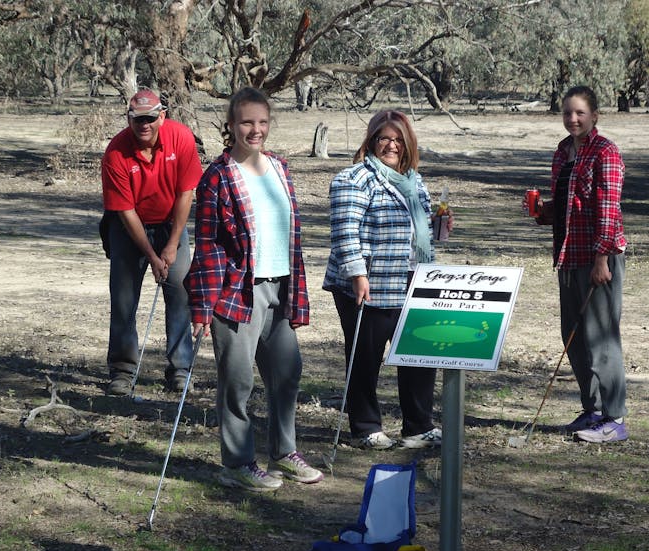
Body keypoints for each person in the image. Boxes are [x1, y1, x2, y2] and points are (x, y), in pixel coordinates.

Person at [185, 87, 323, 492]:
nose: (255, 129)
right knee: (238, 380)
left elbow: (290, 233)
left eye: (262, 122)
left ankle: (284, 452)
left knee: (287, 372)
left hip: (281, 285)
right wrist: (201, 307)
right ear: (230, 125)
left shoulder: (279, 168)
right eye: (247, 122)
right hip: (236, 292)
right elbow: (208, 245)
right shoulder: (218, 176)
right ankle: (238, 463)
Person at [322, 110, 452, 450]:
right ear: (372, 140)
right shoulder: (352, 179)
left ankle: (418, 426)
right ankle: (365, 427)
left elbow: (419, 233)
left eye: (398, 139)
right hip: (368, 282)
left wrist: (440, 227)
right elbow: (345, 233)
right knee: (366, 355)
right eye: (384, 138)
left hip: (414, 277)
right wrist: (357, 274)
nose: (391, 145)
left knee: (419, 351)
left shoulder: (414, 181)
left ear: (408, 144)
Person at [527, 85, 628, 443]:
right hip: (568, 256)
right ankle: (593, 410)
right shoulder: (562, 152)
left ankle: (614, 419)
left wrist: (603, 259)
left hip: (599, 257)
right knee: (573, 336)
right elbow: (568, 206)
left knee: (601, 339)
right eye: (568, 113)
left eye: (580, 113)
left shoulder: (605, 152)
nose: (573, 119)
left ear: (594, 116)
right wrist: (543, 212)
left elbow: (608, 210)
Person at [101, 88, 203, 395]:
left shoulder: (181, 138)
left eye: (149, 118)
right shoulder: (116, 152)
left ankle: (180, 368)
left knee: (180, 294)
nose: (143, 125)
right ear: (128, 119)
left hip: (172, 224)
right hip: (128, 228)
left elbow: (186, 193)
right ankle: (122, 370)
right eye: (137, 119)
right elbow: (124, 210)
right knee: (123, 300)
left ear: (162, 116)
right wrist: (151, 254)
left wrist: (171, 245)